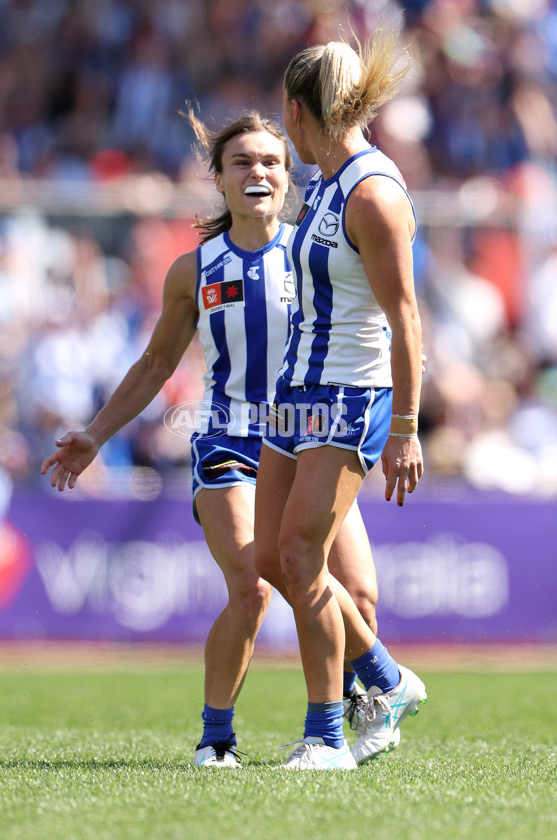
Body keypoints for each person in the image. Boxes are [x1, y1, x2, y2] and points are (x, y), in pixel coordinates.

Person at [40, 108, 380, 767]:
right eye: (243, 162)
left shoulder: (321, 254)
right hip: (227, 437)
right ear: (220, 181)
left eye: (272, 161)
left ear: (288, 178)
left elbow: (368, 333)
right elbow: (155, 365)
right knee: (255, 583)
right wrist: (97, 435)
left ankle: (341, 726)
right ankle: (219, 737)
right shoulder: (194, 270)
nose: (259, 171)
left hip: (311, 440)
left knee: (360, 594)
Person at [253, 30, 427, 770]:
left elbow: (407, 319)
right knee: (271, 557)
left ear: (295, 112)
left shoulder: (372, 193)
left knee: (299, 554)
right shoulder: (326, 180)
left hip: (348, 396)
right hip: (296, 393)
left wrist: (408, 428)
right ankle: (386, 679)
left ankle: (326, 735)